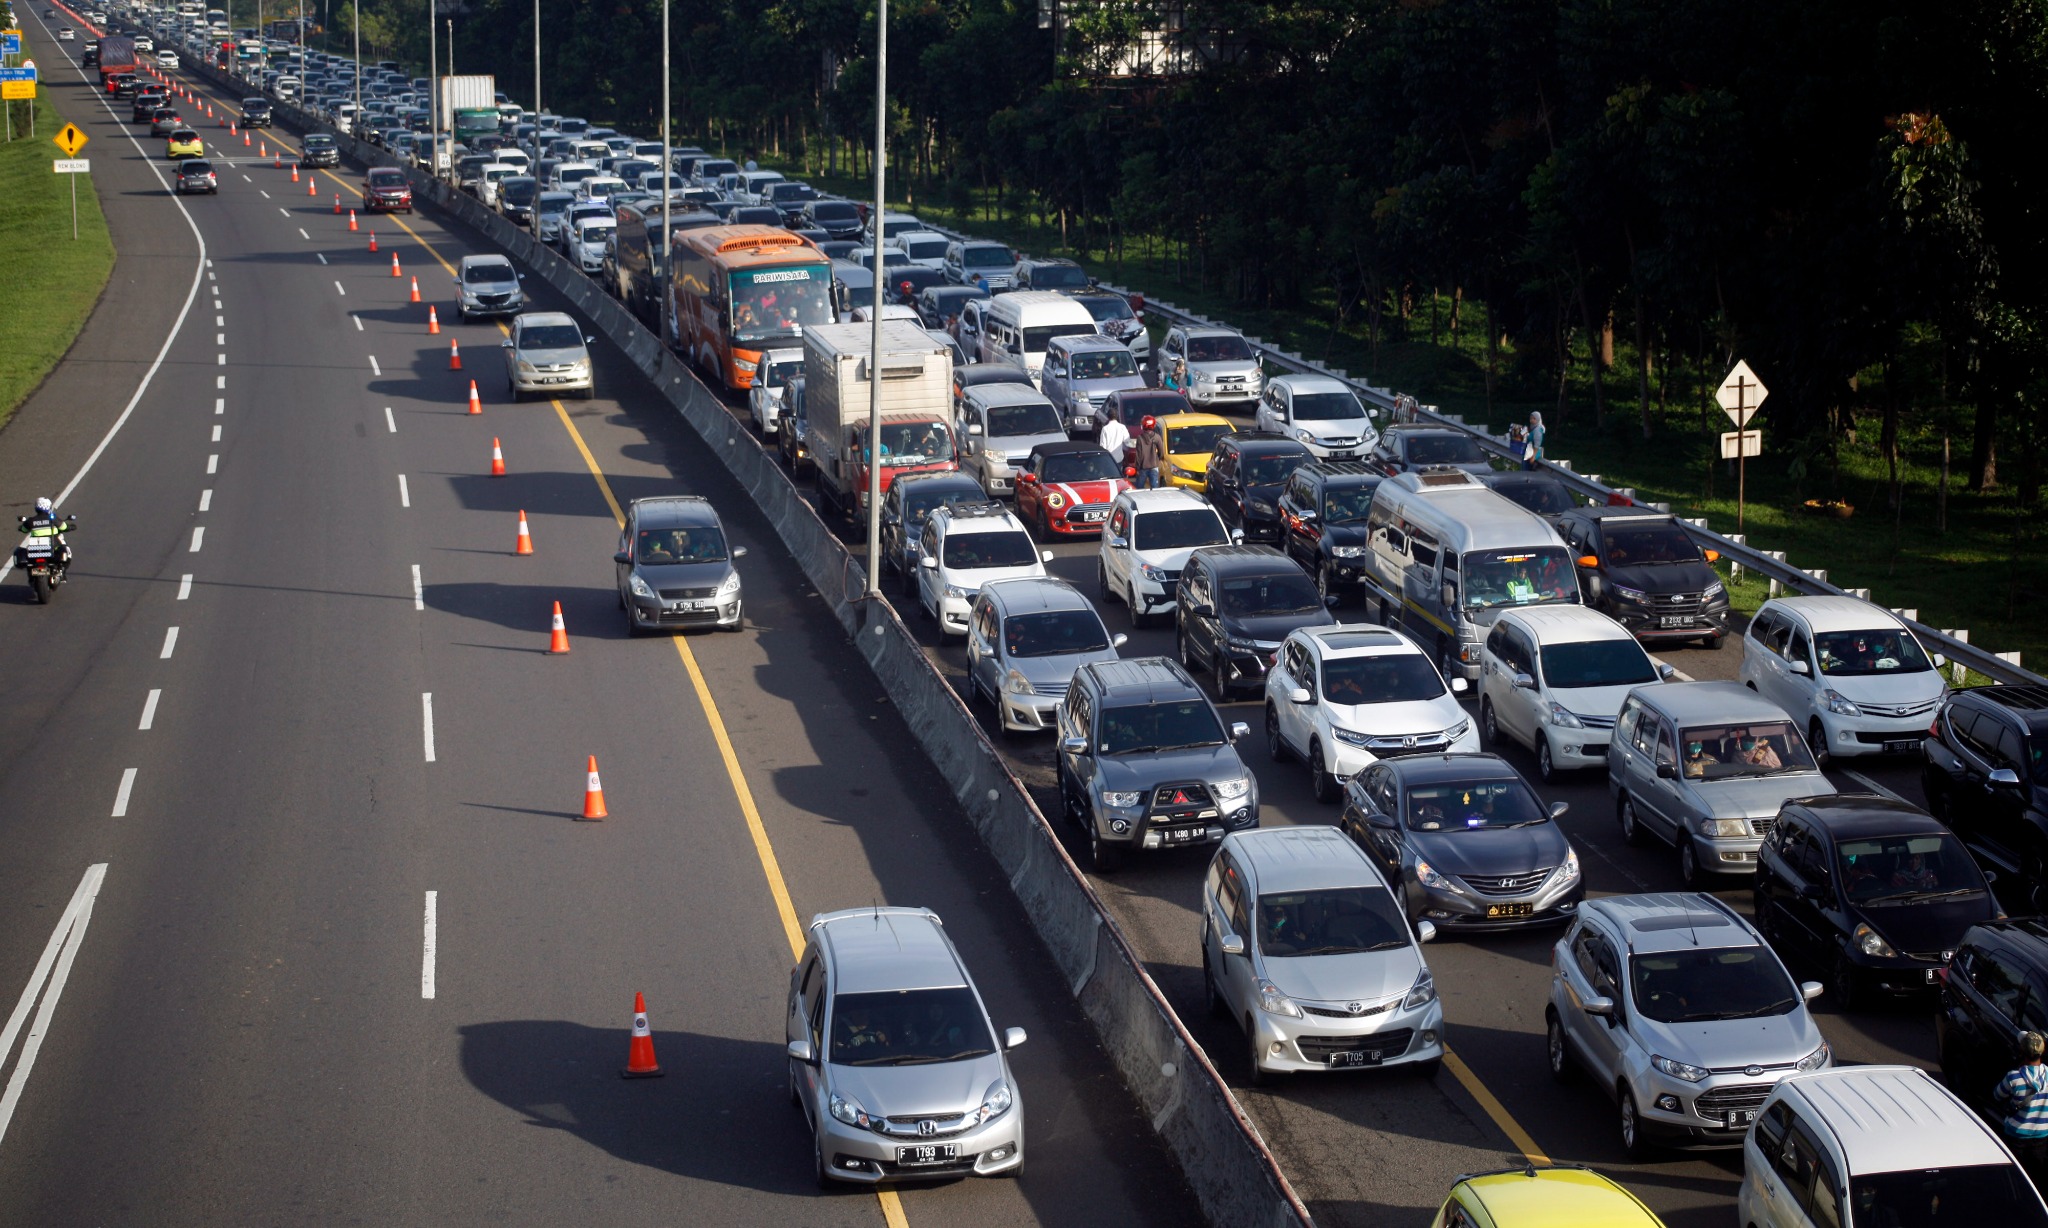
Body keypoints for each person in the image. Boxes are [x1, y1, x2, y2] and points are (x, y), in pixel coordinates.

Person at [1996, 1032, 2048, 1183]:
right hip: (2042, 1136)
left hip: (2016, 1135)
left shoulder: (2013, 1077)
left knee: (2016, 1176)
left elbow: (1997, 1095)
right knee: (2037, 1175)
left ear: (2022, 1053)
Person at [18, 497, 72, 566]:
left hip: (36, 549)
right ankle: (62, 570)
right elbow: (64, 527)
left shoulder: (30, 520)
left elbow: (23, 529)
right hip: (53, 546)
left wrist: (21, 527)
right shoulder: (53, 518)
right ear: (48, 507)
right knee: (66, 550)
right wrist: (70, 527)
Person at [1133, 416, 1165, 489]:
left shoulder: (1140, 438)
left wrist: (1137, 468)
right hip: (1154, 466)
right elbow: (1161, 452)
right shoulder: (1157, 437)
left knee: (1139, 488)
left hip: (1142, 467)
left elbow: (1138, 455)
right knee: (1155, 488)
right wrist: (1157, 459)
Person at [1097, 404, 1130, 470]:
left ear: (1108, 417)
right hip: (1119, 457)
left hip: (1109, 458)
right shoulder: (1122, 427)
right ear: (1117, 416)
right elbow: (1127, 441)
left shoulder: (1105, 429)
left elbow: (1103, 445)